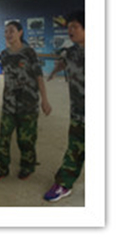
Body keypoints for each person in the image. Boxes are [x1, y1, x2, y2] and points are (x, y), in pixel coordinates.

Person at [0, 21, 52, 182]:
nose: (8, 34)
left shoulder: (29, 52)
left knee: (26, 139)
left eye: (11, 31)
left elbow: (38, 76)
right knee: (3, 137)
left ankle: (27, 166)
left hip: (28, 103)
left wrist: (44, 100)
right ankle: (1, 168)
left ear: (20, 32)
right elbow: (8, 77)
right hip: (9, 103)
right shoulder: (4, 54)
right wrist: (0, 95)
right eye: (6, 31)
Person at [43, 11, 85, 202]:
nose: (70, 30)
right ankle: (63, 184)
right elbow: (63, 62)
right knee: (74, 149)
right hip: (78, 113)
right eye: (69, 27)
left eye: (75, 26)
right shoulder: (70, 51)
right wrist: (54, 72)